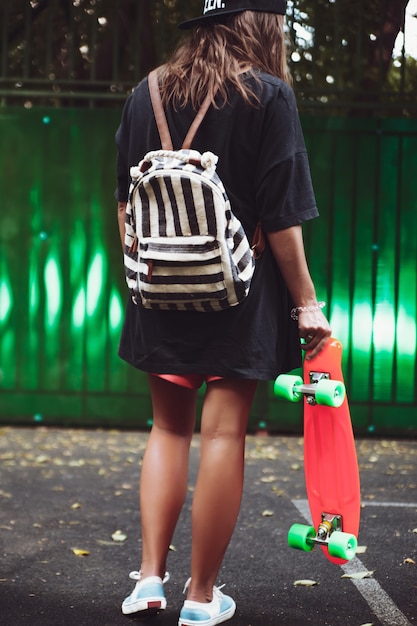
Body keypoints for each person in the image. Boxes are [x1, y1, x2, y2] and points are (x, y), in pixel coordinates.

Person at [114, 1, 331, 624]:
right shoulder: (268, 95)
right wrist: (307, 305)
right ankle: (202, 598)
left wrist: (146, 280)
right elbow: (283, 216)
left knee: (169, 430)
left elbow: (126, 207)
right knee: (223, 434)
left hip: (158, 288)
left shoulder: (145, 92)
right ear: (260, 25)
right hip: (239, 291)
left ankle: (149, 581)